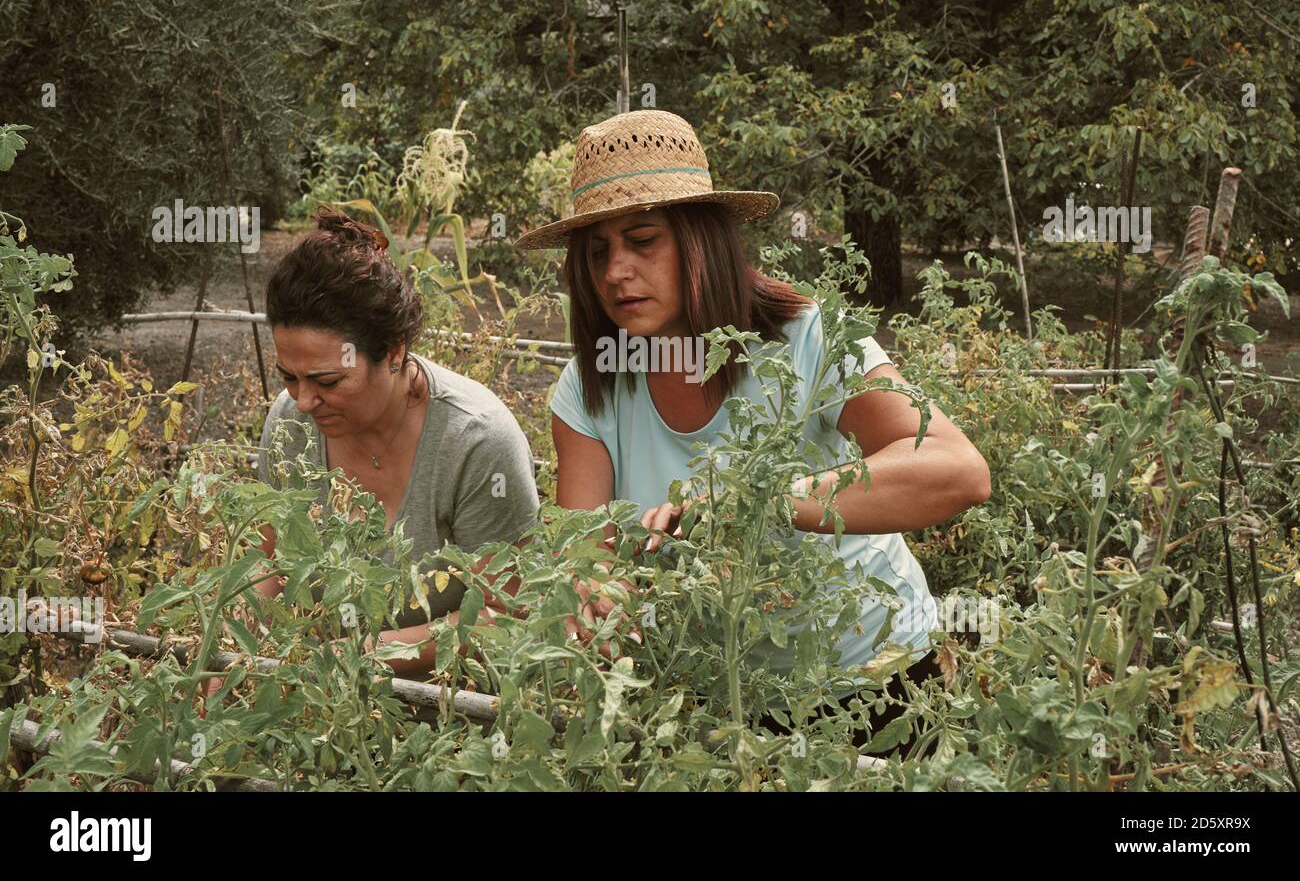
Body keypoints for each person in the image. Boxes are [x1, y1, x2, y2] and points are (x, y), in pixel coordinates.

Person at [515, 109, 992, 755]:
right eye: (597, 251)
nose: (615, 270)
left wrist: (759, 498)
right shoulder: (592, 385)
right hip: (715, 698)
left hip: (876, 683)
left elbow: (957, 469)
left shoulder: (804, 337)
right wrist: (594, 586)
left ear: (701, 239)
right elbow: (582, 549)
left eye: (642, 239)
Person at [215, 209, 539, 698]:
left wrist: (361, 656)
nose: (303, 401)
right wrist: (232, 649)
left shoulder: (474, 441)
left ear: (393, 352)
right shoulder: (291, 424)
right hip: (313, 702)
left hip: (448, 714)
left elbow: (504, 613)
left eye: (327, 381)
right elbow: (266, 558)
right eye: (288, 376)